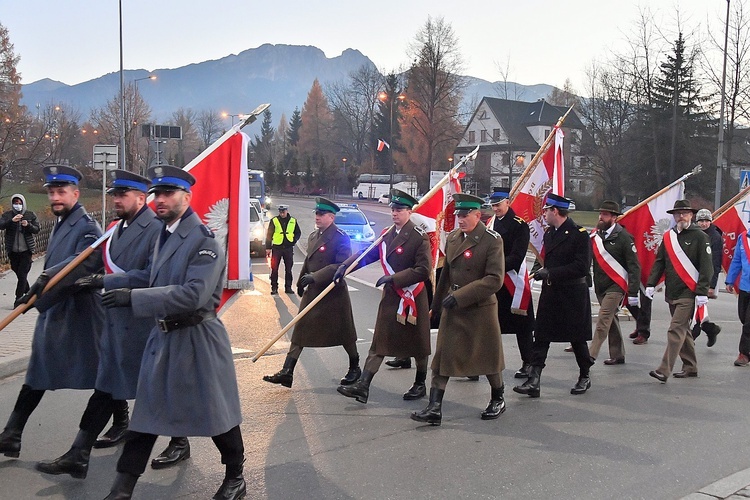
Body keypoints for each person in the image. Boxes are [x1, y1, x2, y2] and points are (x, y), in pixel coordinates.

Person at [101, 165, 245, 499]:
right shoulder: (164, 236)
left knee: (217, 415)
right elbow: (150, 276)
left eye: (168, 193)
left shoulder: (204, 241)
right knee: (146, 417)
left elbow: (193, 294)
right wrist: (105, 282)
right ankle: (121, 491)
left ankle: (236, 477)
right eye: (157, 194)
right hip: (164, 338)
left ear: (187, 196)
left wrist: (133, 299)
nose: (160, 200)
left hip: (198, 339)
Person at [35, 170, 189, 479]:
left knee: (155, 389)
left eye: (122, 196)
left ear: (140, 197)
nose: (116, 201)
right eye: (114, 196)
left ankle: (180, 441)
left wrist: (108, 280)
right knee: (106, 388)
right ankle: (79, 454)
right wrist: (47, 278)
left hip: (143, 322)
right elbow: (87, 259)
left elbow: (154, 275)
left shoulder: (157, 230)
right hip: (115, 323)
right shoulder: (116, 229)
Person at [0, 165, 104, 459]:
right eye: (52, 192)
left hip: (82, 315)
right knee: (38, 370)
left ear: (76, 193)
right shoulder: (61, 221)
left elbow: (84, 264)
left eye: (62, 192)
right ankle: (12, 435)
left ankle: (120, 421)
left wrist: (43, 285)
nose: (56, 198)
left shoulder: (87, 227)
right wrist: (40, 291)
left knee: (104, 374)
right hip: (56, 312)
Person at [411, 193, 506, 425]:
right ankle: (434, 407)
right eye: (458, 215)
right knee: (443, 356)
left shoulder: (492, 240)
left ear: (477, 215)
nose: (460, 220)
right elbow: (445, 276)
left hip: (479, 308)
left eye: (464, 216)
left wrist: (460, 296)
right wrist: (435, 307)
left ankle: (498, 397)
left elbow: (495, 279)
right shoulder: (453, 238)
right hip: (453, 307)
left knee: (487, 357)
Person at [335, 189, 432, 403]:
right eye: (393, 209)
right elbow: (367, 254)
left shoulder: (418, 237)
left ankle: (420, 383)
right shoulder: (387, 235)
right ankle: (364, 385)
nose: (395, 214)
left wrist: (395, 279)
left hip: (413, 296)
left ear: (409, 211)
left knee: (418, 343)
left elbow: (424, 270)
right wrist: (345, 267)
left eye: (399, 210)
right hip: (392, 297)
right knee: (380, 339)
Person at [263, 197, 361, 389]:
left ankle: (355, 366)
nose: (317, 216)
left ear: (331, 217)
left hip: (333, 292)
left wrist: (316, 276)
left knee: (344, 332)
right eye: (316, 213)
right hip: (313, 290)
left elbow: (342, 265)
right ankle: (287, 372)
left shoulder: (341, 237)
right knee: (300, 329)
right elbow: (308, 261)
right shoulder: (313, 236)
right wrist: (301, 281)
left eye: (321, 214)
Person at [514, 193, 594, 398]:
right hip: (552, 292)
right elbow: (546, 259)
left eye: (547, 211)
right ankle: (534, 380)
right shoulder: (550, 233)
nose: (544, 215)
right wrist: (540, 271)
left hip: (573, 293)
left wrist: (550, 272)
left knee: (577, 338)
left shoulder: (580, 234)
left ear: (555, 211)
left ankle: (584, 375)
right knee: (541, 335)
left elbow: (581, 267)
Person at [646, 199, 713, 383]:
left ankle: (663, 369)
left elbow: (707, 267)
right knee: (685, 331)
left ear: (691, 215)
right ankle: (690, 366)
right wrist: (651, 283)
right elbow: (660, 262)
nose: (680, 216)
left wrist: (701, 292)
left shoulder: (700, 236)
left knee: (675, 329)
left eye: (684, 213)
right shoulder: (668, 237)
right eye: (677, 213)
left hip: (689, 293)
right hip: (672, 291)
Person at [485, 187, 535, 378]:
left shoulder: (519, 225)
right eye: (493, 205)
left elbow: (518, 255)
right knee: (489, 325)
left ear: (508, 202)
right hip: (495, 283)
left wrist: (495, 267)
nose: (495, 208)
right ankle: (487, 362)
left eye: (498, 204)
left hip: (513, 282)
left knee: (522, 327)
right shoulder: (490, 224)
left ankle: (528, 362)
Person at [588, 201, 641, 365]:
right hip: (601, 284)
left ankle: (590, 356)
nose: (601, 217)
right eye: (600, 214)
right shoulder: (596, 236)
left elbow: (634, 266)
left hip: (616, 286)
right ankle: (618, 354)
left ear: (614, 217)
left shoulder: (624, 237)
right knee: (612, 318)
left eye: (604, 214)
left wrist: (632, 292)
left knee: (603, 320)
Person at [0, 194, 40, 301]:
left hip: (26, 250)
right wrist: (11, 221)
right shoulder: (7, 215)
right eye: (15, 203)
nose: (18, 205)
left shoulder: (30, 215)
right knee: (18, 273)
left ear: (23, 203)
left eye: (19, 203)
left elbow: (37, 229)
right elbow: (1, 225)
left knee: (22, 273)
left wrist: (28, 225)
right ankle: (29, 292)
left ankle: (18, 298)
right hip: (13, 250)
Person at [692, 208, 722, 346]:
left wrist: (712, 285)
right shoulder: (693, 234)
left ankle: (694, 333)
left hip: (706, 278)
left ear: (710, 221)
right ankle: (710, 329)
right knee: (697, 307)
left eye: (706, 221)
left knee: (699, 306)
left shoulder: (715, 237)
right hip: (692, 275)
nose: (703, 224)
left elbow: (716, 262)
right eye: (701, 221)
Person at [725, 229, 750, 367]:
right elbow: (737, 260)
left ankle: (744, 354)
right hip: (745, 286)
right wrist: (730, 280)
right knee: (743, 317)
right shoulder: (743, 237)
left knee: (748, 324)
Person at [266, 204, 301, 294]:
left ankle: (288, 287)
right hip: (277, 248)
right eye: (280, 212)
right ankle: (274, 288)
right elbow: (269, 234)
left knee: (288, 269)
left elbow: (298, 232)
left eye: (283, 212)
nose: (282, 214)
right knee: (274, 269)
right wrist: (268, 247)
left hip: (288, 248)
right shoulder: (274, 220)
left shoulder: (293, 221)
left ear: (287, 211)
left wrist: (294, 241)